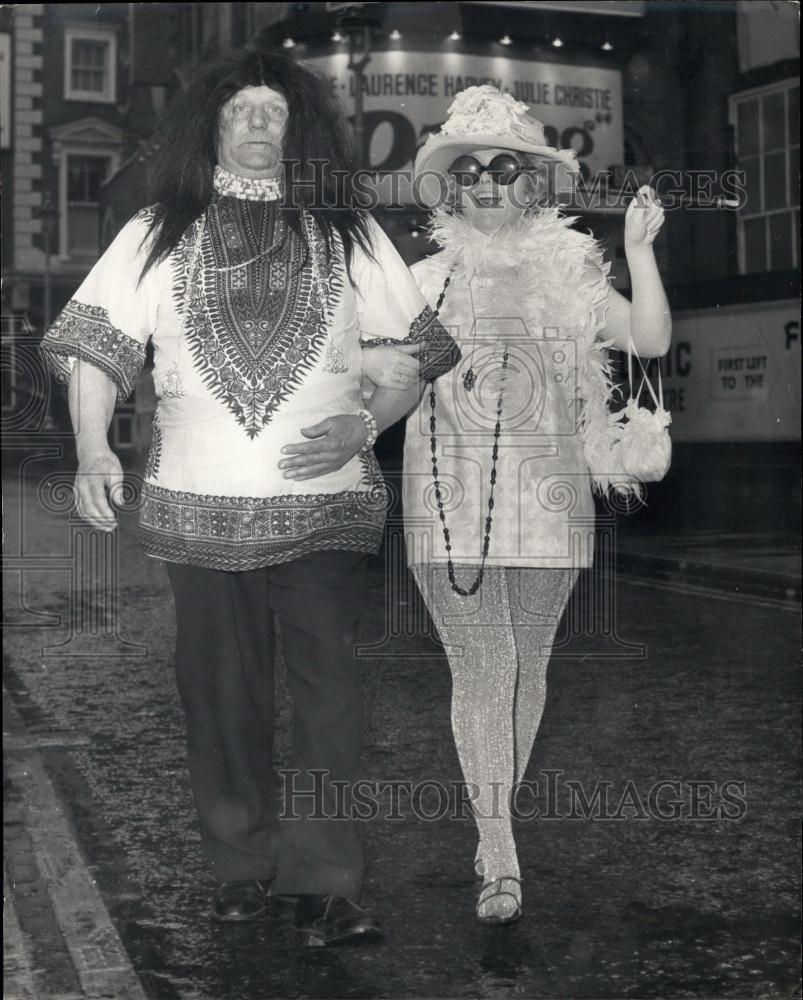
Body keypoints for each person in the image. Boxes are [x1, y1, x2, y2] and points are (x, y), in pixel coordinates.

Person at [40, 50, 458, 947]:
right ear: (213, 129)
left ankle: (324, 881)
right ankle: (239, 865)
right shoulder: (157, 231)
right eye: (241, 114)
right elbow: (93, 348)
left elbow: (414, 356)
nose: (258, 125)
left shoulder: (349, 231)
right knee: (220, 695)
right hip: (197, 507)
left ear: (298, 128)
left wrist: (368, 424)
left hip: (328, 504)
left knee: (329, 698)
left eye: (274, 112)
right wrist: (87, 452)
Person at [363, 86, 671, 926]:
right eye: (470, 170)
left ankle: (491, 822)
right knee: (485, 666)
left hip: (550, 498)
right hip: (446, 501)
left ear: (532, 183)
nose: (489, 181)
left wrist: (638, 252)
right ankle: (497, 849)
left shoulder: (570, 270)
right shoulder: (421, 282)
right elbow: (378, 380)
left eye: (506, 167)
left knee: (527, 667)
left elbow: (645, 341)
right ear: (452, 188)